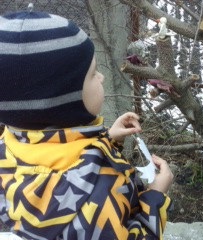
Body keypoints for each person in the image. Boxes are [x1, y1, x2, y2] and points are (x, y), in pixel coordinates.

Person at [0, 8, 173, 240]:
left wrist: (109, 140)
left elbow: (65, 156)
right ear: (63, 99)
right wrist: (155, 197)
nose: (101, 77)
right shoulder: (94, 204)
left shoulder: (10, 145)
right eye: (92, 74)